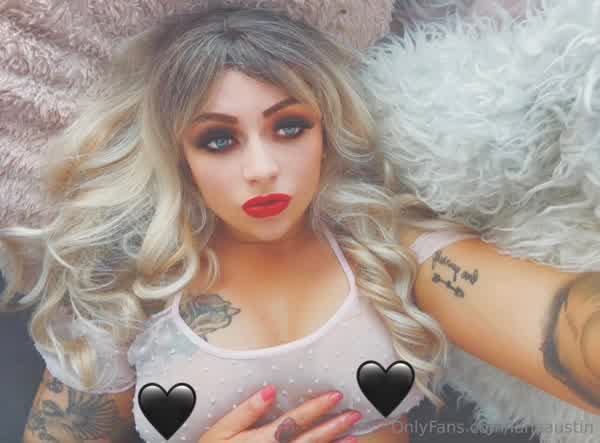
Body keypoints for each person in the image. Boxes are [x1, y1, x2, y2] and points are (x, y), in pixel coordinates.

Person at [1, 4, 597, 443]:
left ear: (327, 133)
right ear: (178, 156)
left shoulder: (386, 247)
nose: (262, 168)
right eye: (218, 140)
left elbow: (566, 330)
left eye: (289, 128)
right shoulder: (124, 290)